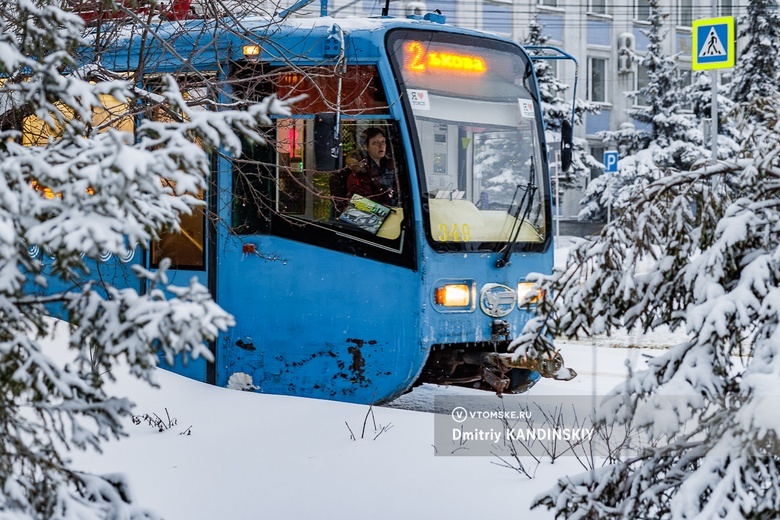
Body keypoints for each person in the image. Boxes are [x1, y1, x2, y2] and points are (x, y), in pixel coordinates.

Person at [342, 127, 399, 209]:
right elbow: (358, 202)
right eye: (375, 143)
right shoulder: (359, 171)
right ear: (365, 147)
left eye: (383, 142)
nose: (381, 146)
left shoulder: (392, 166)